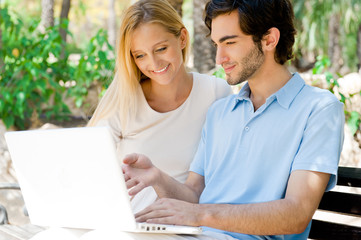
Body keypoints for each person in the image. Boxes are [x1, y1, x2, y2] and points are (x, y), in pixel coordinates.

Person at [122, 0, 345, 239]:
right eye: (217, 44)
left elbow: (296, 214)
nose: (220, 58)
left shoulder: (318, 109)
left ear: (269, 39)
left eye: (229, 42)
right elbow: (195, 193)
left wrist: (200, 215)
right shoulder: (220, 113)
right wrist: (157, 178)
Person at [87, 0, 231, 212]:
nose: (154, 64)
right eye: (140, 55)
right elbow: (87, 166)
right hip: (131, 220)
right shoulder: (124, 99)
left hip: (188, 222)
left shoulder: (215, 94)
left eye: (161, 48)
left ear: (182, 38)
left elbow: (225, 177)